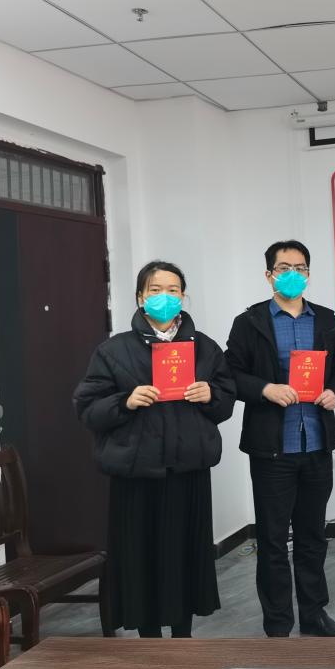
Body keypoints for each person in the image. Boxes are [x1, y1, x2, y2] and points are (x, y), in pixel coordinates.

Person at [74, 260, 235, 638]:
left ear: (183, 296)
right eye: (156, 290)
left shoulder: (204, 348)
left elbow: (226, 403)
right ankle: (148, 639)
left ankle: (183, 635)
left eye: (173, 290)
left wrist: (211, 394)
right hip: (136, 473)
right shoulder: (113, 351)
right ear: (140, 297)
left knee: (184, 557)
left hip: (188, 471)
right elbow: (87, 408)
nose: (165, 297)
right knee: (140, 558)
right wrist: (125, 401)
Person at [224, 240, 335, 638]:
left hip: (316, 442)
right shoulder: (249, 322)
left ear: (309, 274)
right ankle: (278, 623)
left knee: (313, 536)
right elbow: (230, 374)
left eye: (300, 267)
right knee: (273, 540)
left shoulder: (326, 319)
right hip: (271, 447)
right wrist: (265, 389)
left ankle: (314, 614)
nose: (292, 274)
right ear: (269, 275)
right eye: (283, 268)